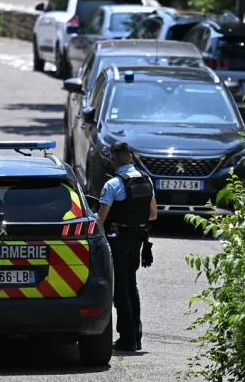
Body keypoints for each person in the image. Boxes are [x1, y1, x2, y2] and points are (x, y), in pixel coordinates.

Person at [96, 141, 158, 352]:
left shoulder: (113, 184)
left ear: (113, 160)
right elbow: (153, 215)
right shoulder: (146, 180)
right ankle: (136, 336)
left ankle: (127, 338)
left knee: (120, 288)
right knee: (131, 286)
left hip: (118, 241)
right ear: (130, 157)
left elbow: (100, 219)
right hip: (138, 240)